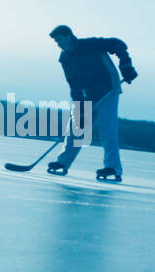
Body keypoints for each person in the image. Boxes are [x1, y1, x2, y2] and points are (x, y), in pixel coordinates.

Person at [47, 25, 137, 182]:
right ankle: (63, 162)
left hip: (108, 89)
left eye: (60, 40)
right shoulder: (65, 58)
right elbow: (73, 84)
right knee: (76, 128)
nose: (58, 44)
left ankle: (113, 167)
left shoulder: (89, 45)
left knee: (106, 129)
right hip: (87, 95)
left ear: (68, 36)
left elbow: (118, 44)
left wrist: (126, 65)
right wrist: (80, 109)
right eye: (56, 42)